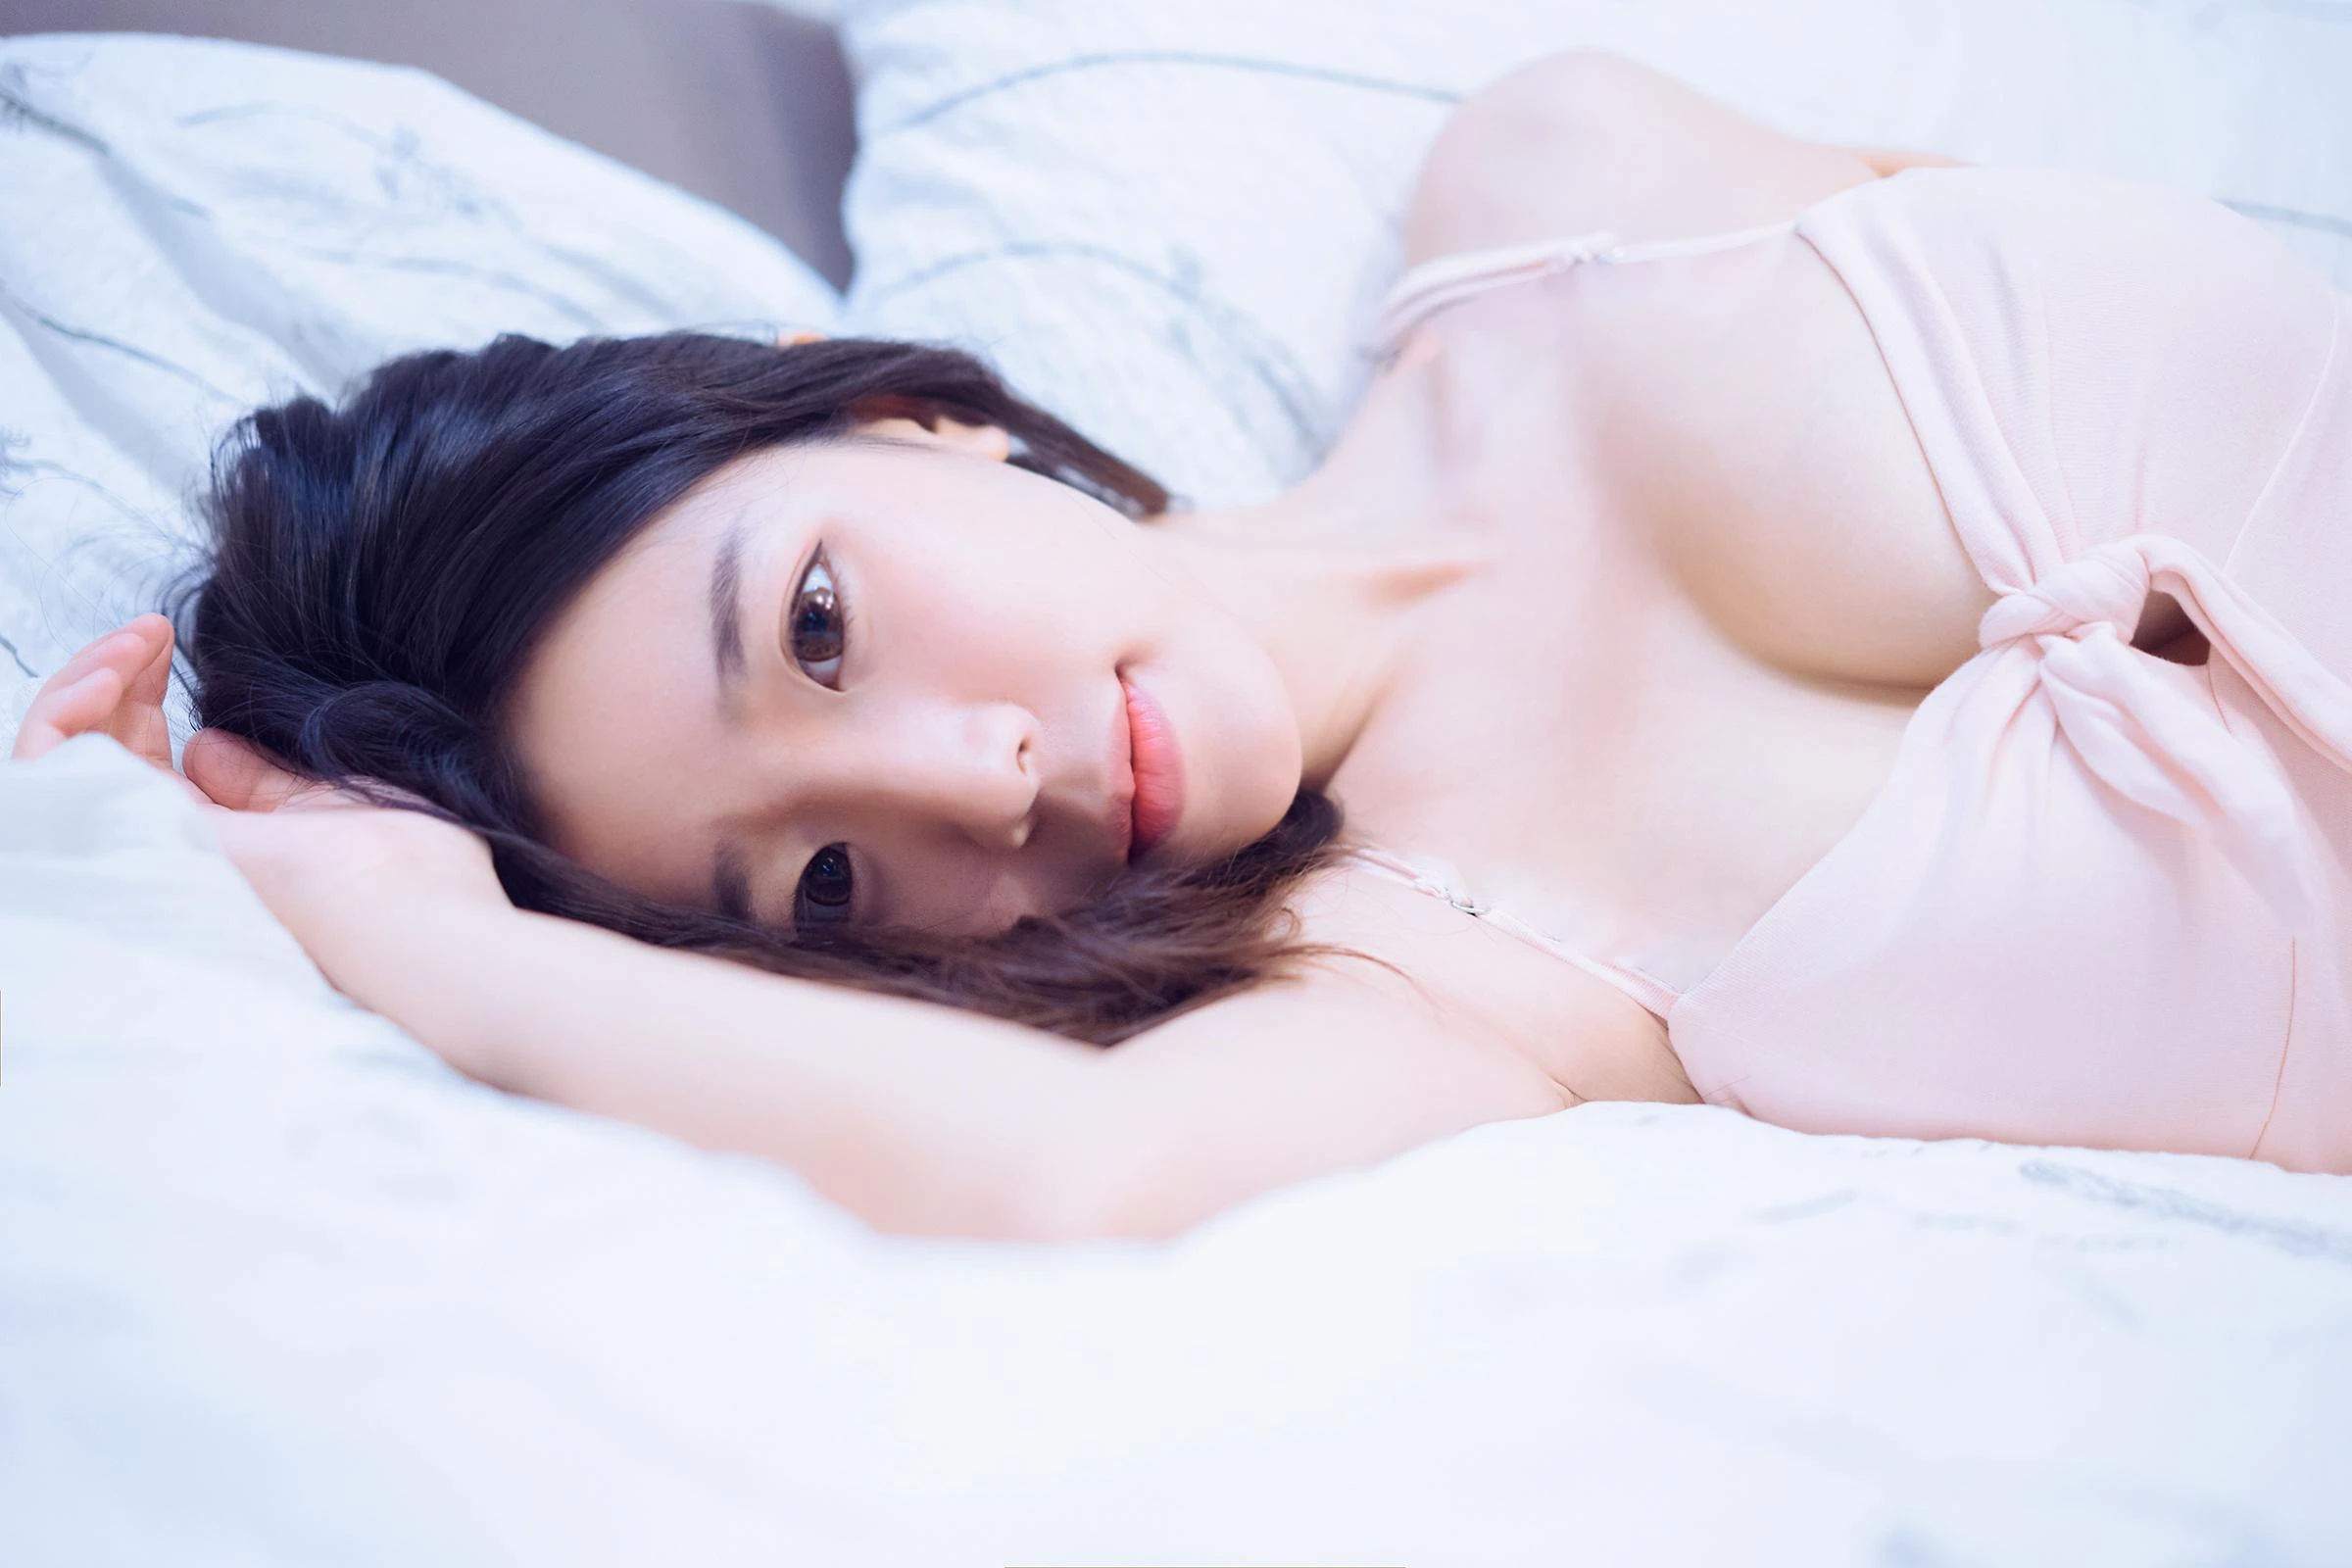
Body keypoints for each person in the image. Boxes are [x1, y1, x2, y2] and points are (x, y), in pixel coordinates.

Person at [17, 52, 2349, 1240]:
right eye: (822, 881)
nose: (970, 783)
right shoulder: (1421, 968)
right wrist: (411, 932)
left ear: (893, 414)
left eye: (816, 627)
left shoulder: (1559, 186)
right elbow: (1075, 1178)